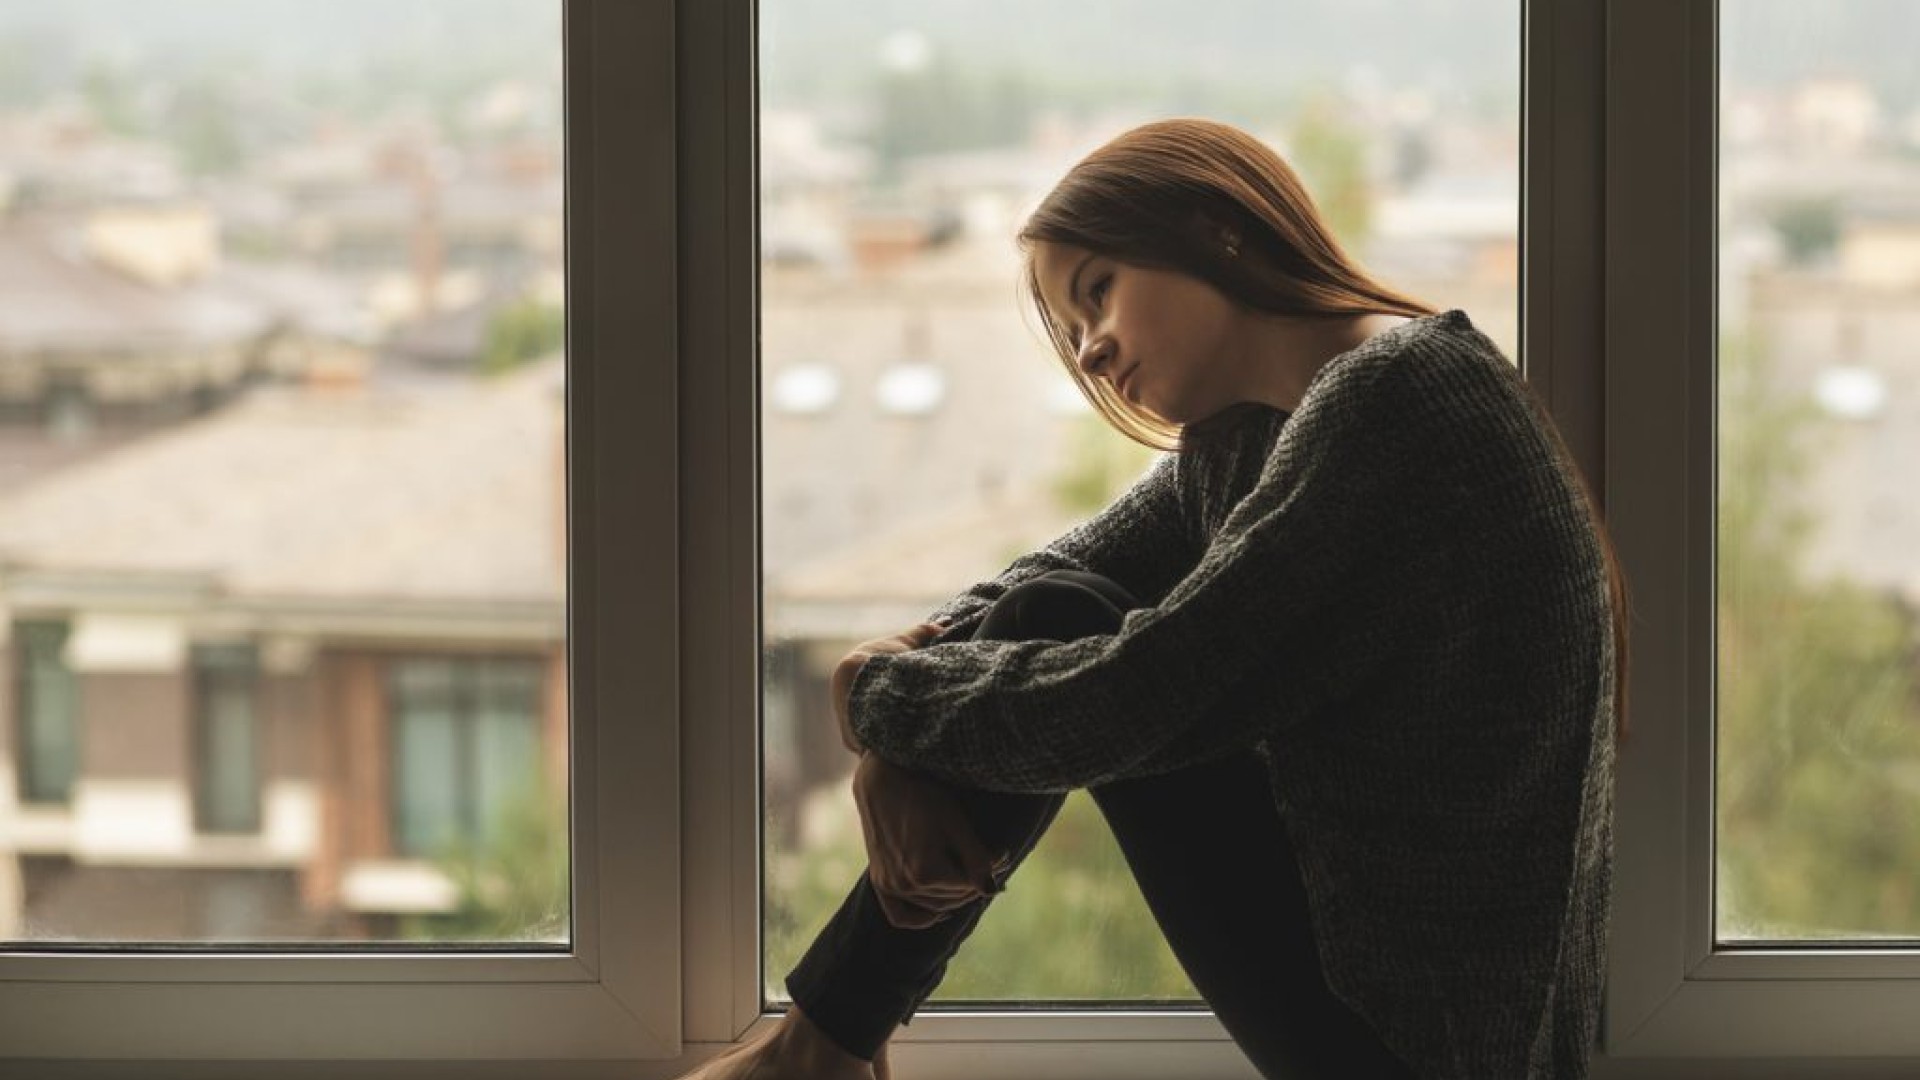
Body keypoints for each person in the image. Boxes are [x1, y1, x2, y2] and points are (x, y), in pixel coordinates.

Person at [681, 117, 1628, 1080]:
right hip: (1388, 1021)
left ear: (1214, 228)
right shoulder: (1258, 434)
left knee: (1059, 632)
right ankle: (822, 1049)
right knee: (1048, 611)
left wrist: (877, 705)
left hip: (1426, 1052)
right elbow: (1032, 585)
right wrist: (886, 707)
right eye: (1074, 329)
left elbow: (1133, 697)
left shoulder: (1401, 403)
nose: (1091, 352)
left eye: (1098, 294)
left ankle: (813, 1054)